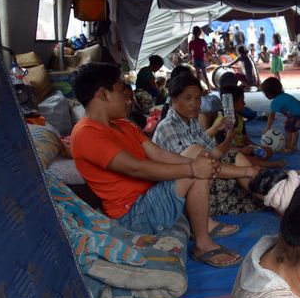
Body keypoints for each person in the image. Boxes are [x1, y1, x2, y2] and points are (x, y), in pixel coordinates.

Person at [70, 63, 242, 268]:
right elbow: (137, 168)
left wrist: (201, 165)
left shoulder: (123, 124)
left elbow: (159, 154)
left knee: (197, 156)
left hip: (151, 198)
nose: (126, 98)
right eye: (119, 91)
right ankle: (203, 245)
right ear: (103, 94)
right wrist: (193, 169)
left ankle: (204, 231)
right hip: (134, 214)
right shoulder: (87, 134)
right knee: (195, 171)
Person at [152, 74, 263, 219]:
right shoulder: (168, 128)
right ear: (173, 98)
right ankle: (270, 197)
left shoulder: (190, 121)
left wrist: (226, 137)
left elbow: (213, 152)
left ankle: (269, 196)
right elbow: (200, 166)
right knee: (239, 181)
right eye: (188, 98)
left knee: (236, 158)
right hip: (182, 190)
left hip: (198, 172)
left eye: (198, 98)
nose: (195, 103)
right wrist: (247, 170)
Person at [212, 85, 284, 169]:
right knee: (239, 157)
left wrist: (259, 148)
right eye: (242, 100)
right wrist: (241, 150)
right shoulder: (221, 123)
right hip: (226, 153)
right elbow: (221, 148)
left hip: (242, 149)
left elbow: (246, 140)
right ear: (233, 104)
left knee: (268, 152)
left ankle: (257, 163)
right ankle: (269, 164)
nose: (244, 103)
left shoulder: (239, 119)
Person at [261, 77, 300, 153]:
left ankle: (288, 148)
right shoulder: (285, 95)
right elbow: (294, 107)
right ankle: (294, 145)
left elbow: (271, 116)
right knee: (294, 130)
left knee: (288, 131)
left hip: (295, 115)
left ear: (268, 94)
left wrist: (267, 128)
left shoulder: (275, 102)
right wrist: (289, 119)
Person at [188, 26, 212, 91]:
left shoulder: (191, 42)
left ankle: (198, 90)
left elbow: (189, 52)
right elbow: (206, 50)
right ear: (199, 33)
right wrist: (202, 52)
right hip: (201, 59)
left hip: (195, 59)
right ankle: (209, 89)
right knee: (205, 75)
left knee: (198, 76)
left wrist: (191, 56)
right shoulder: (202, 41)